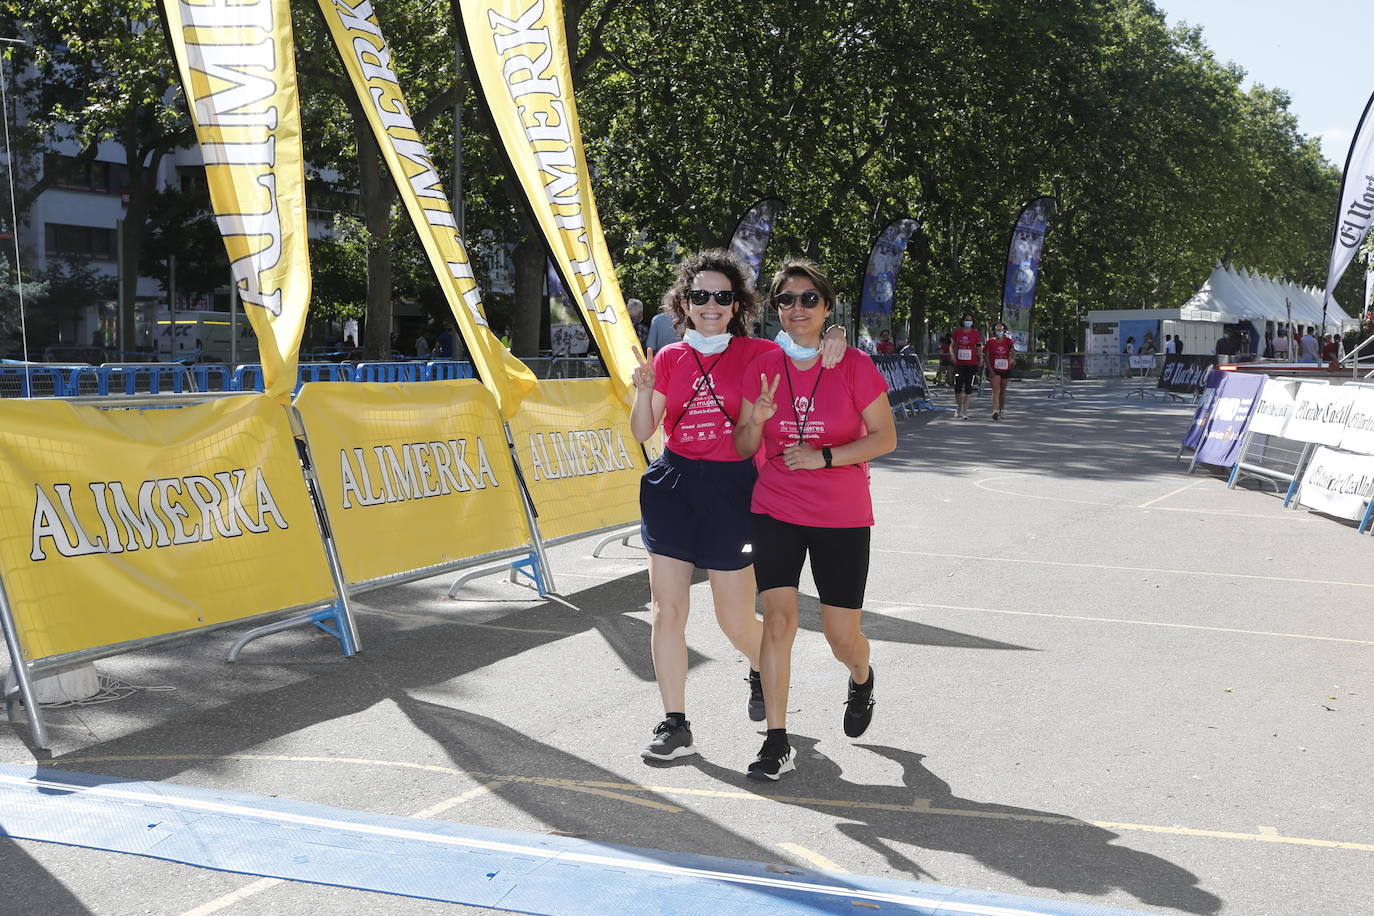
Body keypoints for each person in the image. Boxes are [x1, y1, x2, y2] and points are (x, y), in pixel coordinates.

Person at [629, 249, 844, 763]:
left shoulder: (758, 354)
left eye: (722, 297)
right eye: (699, 295)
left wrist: (835, 337)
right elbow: (643, 431)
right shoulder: (668, 358)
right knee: (667, 611)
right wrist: (642, 393)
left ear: (736, 305)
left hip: (732, 489)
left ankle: (759, 665)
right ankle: (675, 723)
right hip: (672, 485)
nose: (710, 305)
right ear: (683, 303)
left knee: (733, 619)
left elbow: (806, 350)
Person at [733, 258, 897, 780]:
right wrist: (756, 423)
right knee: (779, 621)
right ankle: (776, 741)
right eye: (786, 299)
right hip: (776, 507)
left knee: (839, 637)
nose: (797, 308)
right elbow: (743, 445)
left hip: (841, 515)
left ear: (827, 308)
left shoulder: (853, 365)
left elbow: (885, 438)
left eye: (809, 299)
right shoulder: (760, 363)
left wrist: (825, 457)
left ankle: (862, 676)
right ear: (775, 309)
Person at [950, 313, 982, 419]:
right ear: (963, 320)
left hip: (971, 363)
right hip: (959, 363)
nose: (968, 322)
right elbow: (952, 345)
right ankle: (959, 407)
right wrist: (952, 355)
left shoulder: (975, 333)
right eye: (966, 320)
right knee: (958, 387)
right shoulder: (957, 332)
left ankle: (965, 410)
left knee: (969, 386)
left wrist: (981, 358)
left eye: (970, 320)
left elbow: (978, 347)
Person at [984, 320, 1015, 420]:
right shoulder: (990, 342)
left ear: (1004, 330)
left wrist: (1012, 359)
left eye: (1001, 329)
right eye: (997, 329)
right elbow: (987, 357)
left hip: (1005, 368)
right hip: (994, 369)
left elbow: (1013, 352)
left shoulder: (1008, 341)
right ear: (994, 330)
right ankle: (995, 411)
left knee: (1003, 390)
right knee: (996, 389)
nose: (999, 330)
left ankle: (1002, 410)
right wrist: (990, 369)